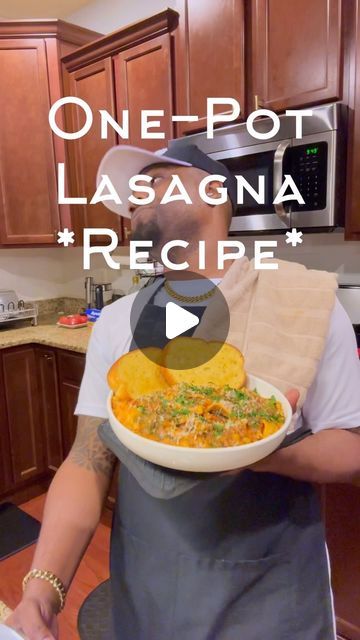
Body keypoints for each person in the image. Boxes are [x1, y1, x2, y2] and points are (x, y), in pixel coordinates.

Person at [6, 144, 360, 640]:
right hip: (149, 586)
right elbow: (87, 460)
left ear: (215, 192)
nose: (135, 196)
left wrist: (257, 451)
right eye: (133, 191)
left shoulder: (310, 308)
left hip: (268, 591)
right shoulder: (116, 322)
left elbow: (350, 450)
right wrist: (42, 590)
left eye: (155, 178)